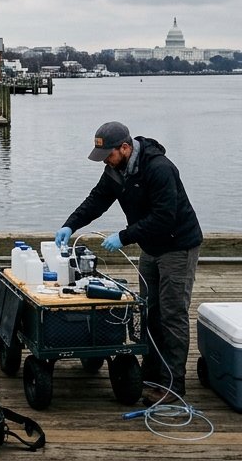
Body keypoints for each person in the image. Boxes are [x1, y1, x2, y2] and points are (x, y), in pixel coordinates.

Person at [54, 121, 203, 405]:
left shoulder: (159, 169)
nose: (106, 162)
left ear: (124, 147)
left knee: (172, 315)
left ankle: (174, 385)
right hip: (151, 246)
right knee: (149, 312)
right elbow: (97, 200)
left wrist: (124, 236)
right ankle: (150, 374)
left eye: (108, 155)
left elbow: (164, 217)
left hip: (178, 246)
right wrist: (69, 225)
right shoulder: (115, 169)